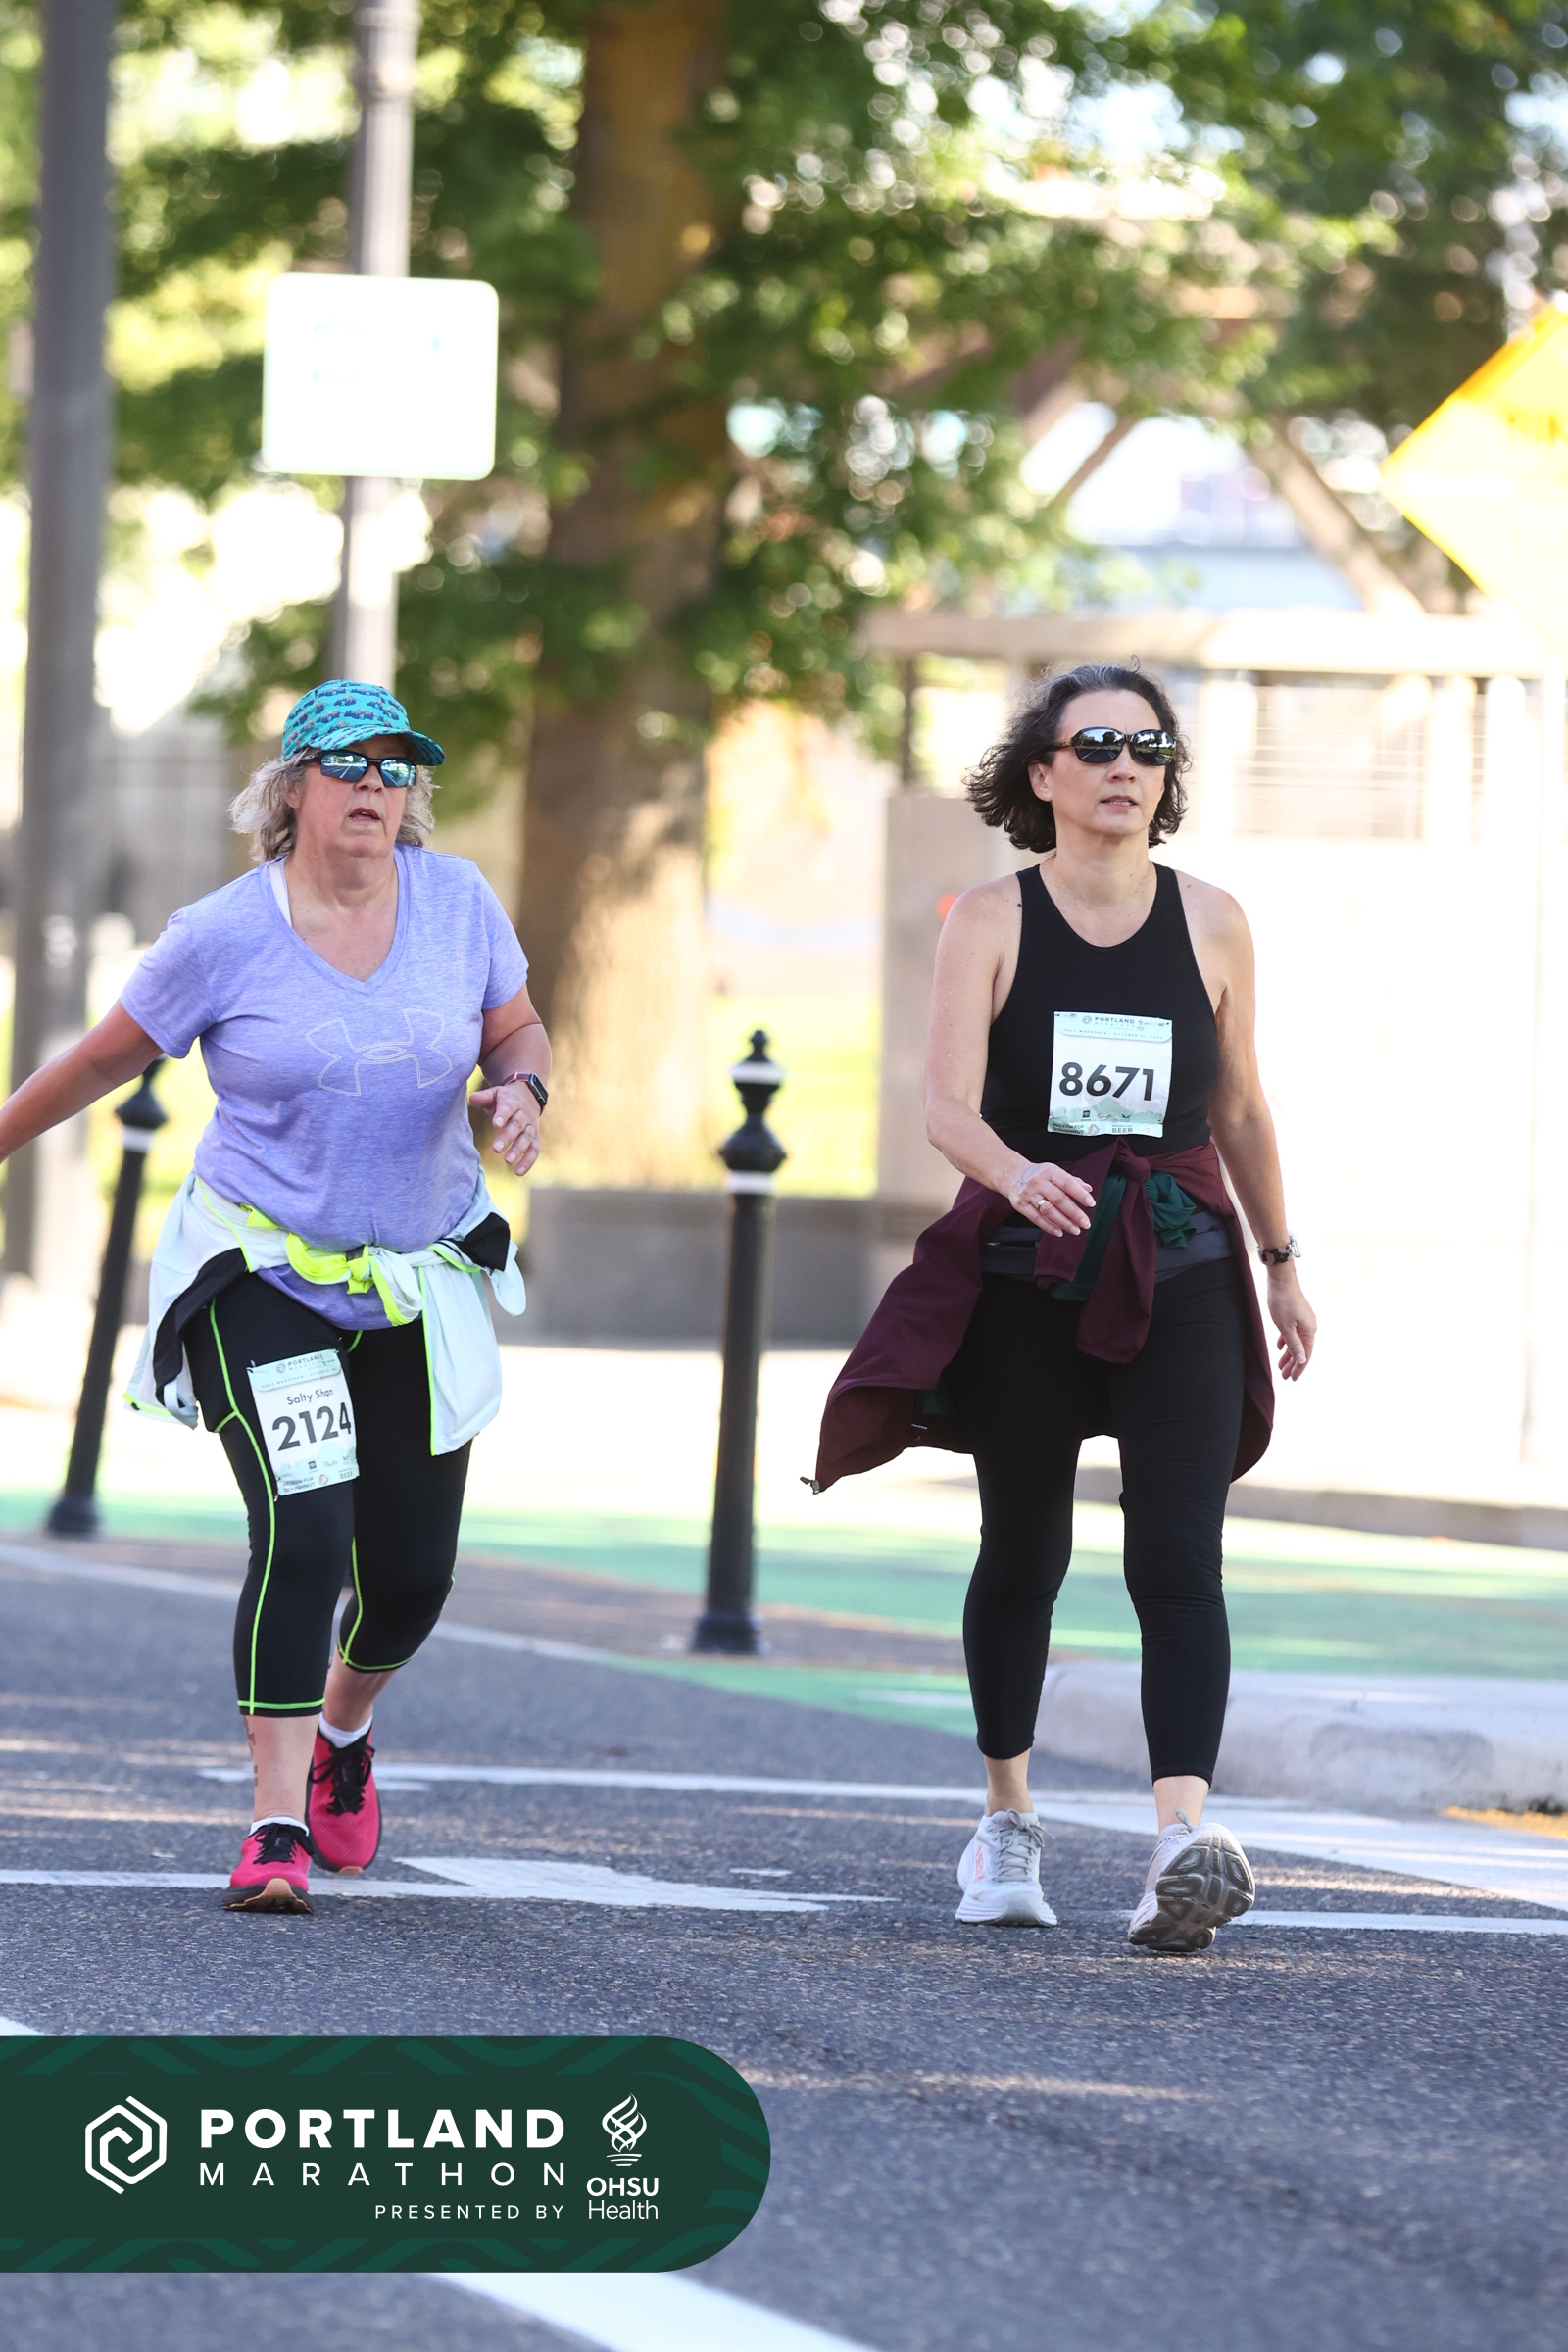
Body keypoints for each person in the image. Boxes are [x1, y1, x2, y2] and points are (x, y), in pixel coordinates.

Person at [0, 679, 549, 1915]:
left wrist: (521, 1090)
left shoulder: (459, 901)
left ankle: (346, 1729)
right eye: (349, 764)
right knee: (304, 1532)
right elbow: (99, 1060)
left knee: (410, 1579)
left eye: (397, 768)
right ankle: (274, 1824)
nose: (375, 786)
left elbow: (518, 1031)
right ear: (291, 786)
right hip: (263, 1272)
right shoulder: (219, 935)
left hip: (413, 1275)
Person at [814, 663, 1315, 1953]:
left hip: (1181, 1262)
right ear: (1041, 774)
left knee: (1178, 1559)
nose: (1123, 766)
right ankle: (1007, 1821)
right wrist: (1016, 1173)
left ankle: (1177, 1847)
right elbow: (945, 1107)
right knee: (1025, 1550)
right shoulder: (990, 918)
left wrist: (1280, 1261)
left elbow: (1240, 1105)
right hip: (1028, 1270)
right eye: (1094, 744)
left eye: (1147, 747)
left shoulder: (1214, 921)